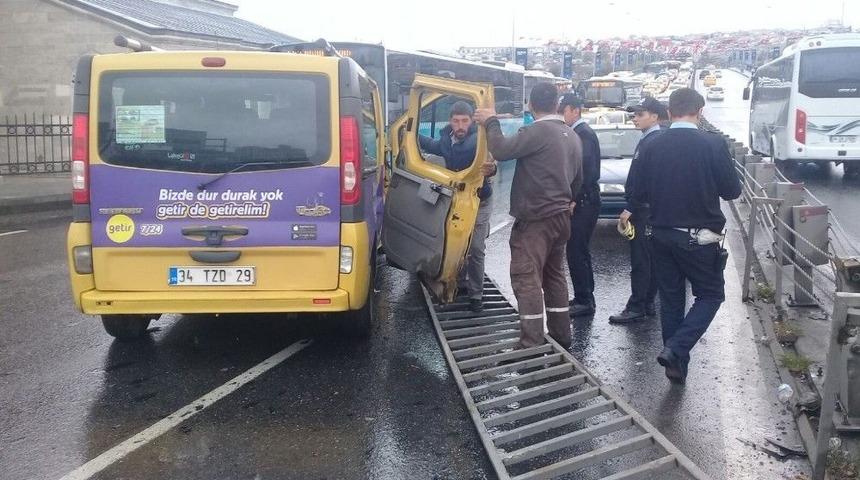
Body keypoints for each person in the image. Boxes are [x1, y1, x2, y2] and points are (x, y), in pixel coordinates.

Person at [629, 88, 742, 383]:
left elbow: (636, 192)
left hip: (660, 234)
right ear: (700, 111)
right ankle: (676, 348)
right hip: (699, 237)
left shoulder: (651, 144)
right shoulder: (712, 144)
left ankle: (676, 365)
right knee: (711, 294)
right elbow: (733, 191)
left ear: (668, 112)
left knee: (671, 298)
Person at [473, 83, 583, 349]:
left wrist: (491, 122)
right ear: (557, 104)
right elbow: (578, 179)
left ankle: (531, 342)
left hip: (535, 220)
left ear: (531, 105)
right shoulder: (571, 135)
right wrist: (568, 201)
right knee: (554, 275)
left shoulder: (538, 131)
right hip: (560, 218)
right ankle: (561, 334)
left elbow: (501, 149)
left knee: (526, 277)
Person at [418, 101, 496, 312]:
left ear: (471, 121)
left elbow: (491, 158)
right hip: (458, 199)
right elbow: (433, 145)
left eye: (464, 121)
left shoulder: (479, 140)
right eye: (456, 121)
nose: (460, 125)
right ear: (450, 122)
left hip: (480, 200)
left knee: (476, 248)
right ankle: (460, 284)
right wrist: (407, 132)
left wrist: (493, 168)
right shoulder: (446, 139)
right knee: (457, 242)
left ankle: (476, 295)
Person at [608, 97, 669, 324]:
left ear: (654, 116)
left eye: (639, 115)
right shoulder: (653, 138)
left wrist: (630, 208)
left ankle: (637, 307)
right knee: (650, 259)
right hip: (650, 209)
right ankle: (647, 302)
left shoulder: (653, 141)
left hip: (643, 210)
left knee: (641, 260)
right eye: (634, 115)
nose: (635, 119)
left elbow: (645, 180)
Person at [557, 94, 600, 317]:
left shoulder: (584, 135)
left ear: (575, 110)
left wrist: (574, 199)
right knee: (579, 251)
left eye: (564, 110)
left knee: (576, 251)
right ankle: (584, 296)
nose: (562, 115)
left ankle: (585, 300)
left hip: (584, 202)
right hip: (584, 200)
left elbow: (587, 172)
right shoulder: (579, 133)